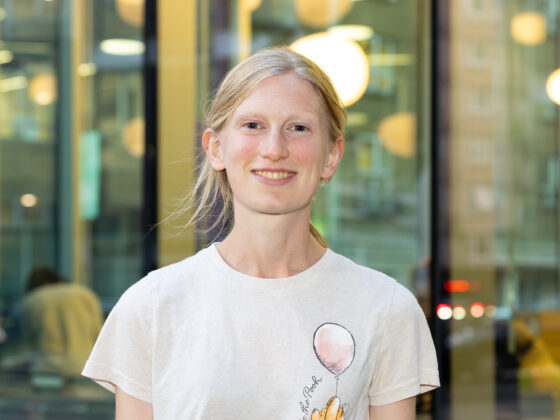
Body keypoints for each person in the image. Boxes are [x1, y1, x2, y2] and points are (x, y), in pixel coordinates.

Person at [82, 46, 440, 419]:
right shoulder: (152, 306)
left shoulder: (385, 307)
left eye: (298, 128)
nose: (274, 149)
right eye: (253, 125)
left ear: (331, 157)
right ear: (216, 149)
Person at [22, 266, 103, 377]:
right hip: (85, 366)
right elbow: (100, 335)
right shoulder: (85, 294)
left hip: (47, 369)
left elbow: (28, 341)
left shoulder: (32, 299)